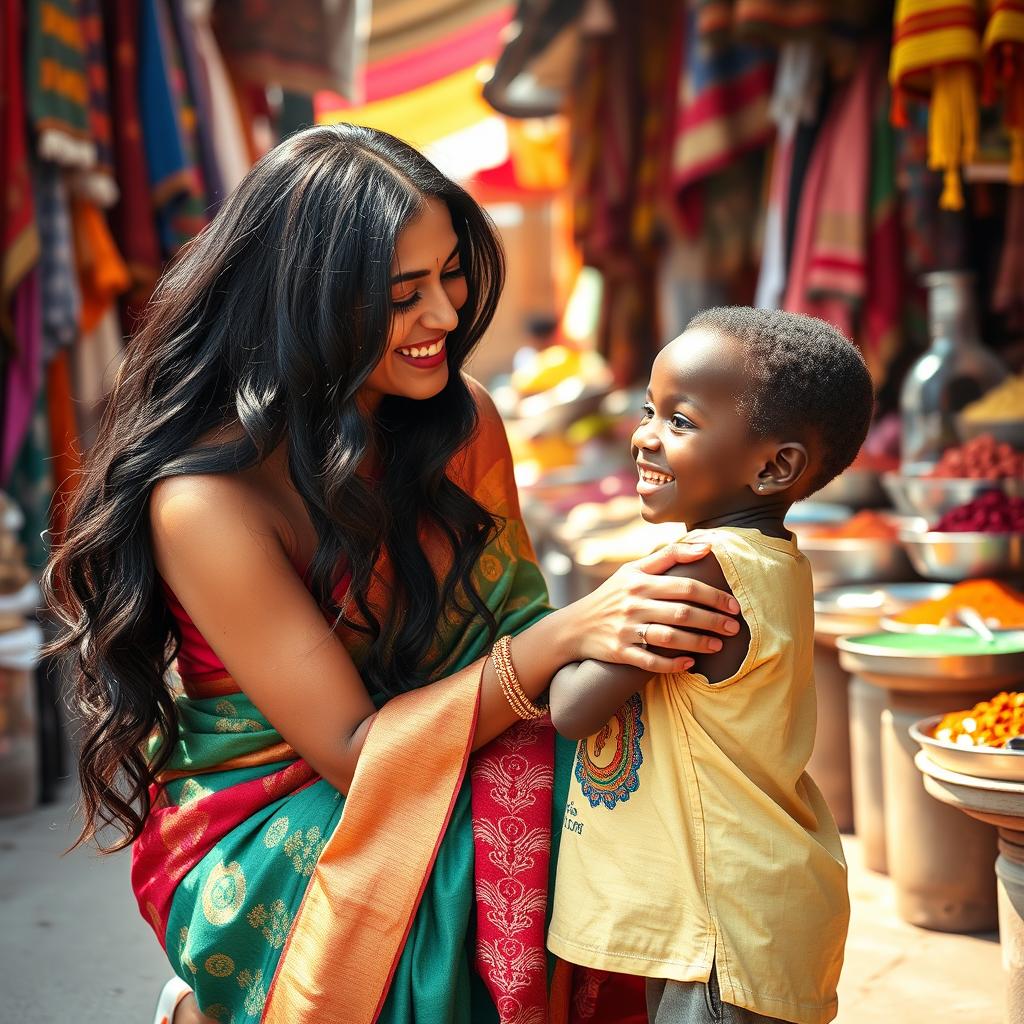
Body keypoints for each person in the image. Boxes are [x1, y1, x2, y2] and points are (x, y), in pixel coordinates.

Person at [44, 124, 743, 1024]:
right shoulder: (206, 501)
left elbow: (505, 632)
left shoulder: (462, 421)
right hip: (282, 808)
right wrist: (568, 635)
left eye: (451, 274)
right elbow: (353, 750)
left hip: (459, 735)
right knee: (530, 838)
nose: (447, 317)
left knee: (638, 783)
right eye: (403, 294)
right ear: (302, 303)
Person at [546, 307, 871, 1024]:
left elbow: (572, 708)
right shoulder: (772, 562)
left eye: (680, 422)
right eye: (648, 410)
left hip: (722, 933)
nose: (644, 437)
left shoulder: (703, 570)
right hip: (748, 913)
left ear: (775, 465)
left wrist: (560, 630)